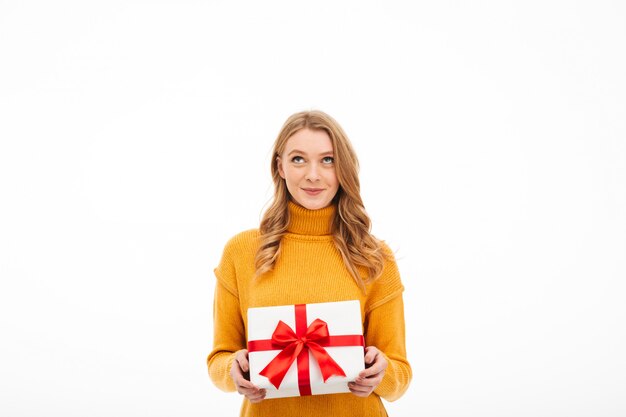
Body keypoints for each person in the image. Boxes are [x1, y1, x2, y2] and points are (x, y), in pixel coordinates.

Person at [207, 110, 411, 416]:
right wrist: (231, 369)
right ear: (281, 167)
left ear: (343, 168)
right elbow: (218, 359)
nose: (313, 174)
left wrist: (383, 372)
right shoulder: (241, 251)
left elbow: (400, 376)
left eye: (328, 160)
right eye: (298, 159)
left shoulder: (374, 256)